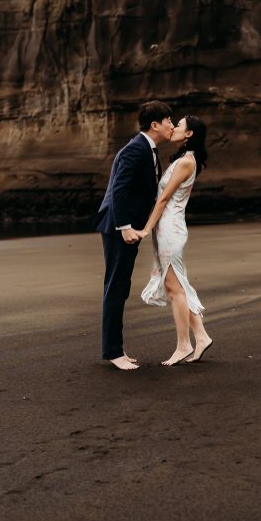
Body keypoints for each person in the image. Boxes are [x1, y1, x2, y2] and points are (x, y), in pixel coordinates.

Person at [95, 101, 174, 370]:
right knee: (116, 286)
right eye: (168, 121)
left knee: (121, 286)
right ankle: (113, 352)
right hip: (118, 228)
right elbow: (118, 189)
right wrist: (125, 226)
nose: (171, 126)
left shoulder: (147, 150)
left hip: (126, 227)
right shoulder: (135, 149)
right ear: (155, 125)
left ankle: (116, 349)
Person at [137, 115, 213, 366]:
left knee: (174, 289)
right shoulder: (184, 159)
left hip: (169, 229)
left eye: (179, 125)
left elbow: (163, 200)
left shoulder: (186, 162)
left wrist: (145, 229)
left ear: (189, 134)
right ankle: (200, 337)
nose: (174, 128)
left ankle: (184, 345)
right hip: (168, 229)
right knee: (178, 284)